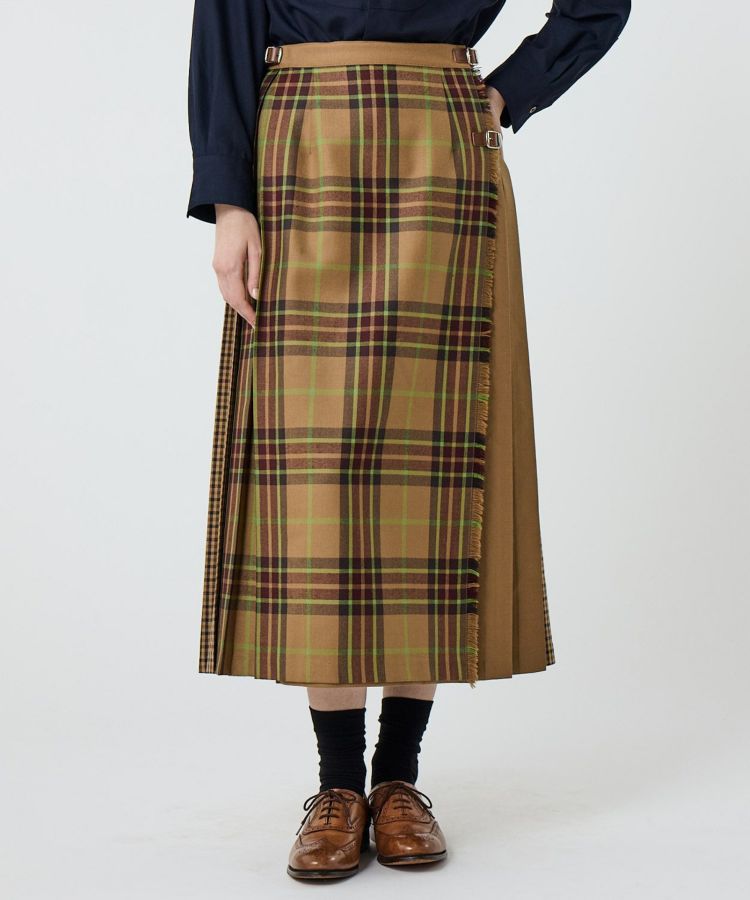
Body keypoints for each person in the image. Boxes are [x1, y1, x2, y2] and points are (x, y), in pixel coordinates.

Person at [186, 0, 630, 881]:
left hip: (442, 143)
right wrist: (231, 198)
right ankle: (336, 787)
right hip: (301, 146)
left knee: (429, 469)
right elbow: (226, 15)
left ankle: (398, 780)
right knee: (318, 476)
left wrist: (511, 89)